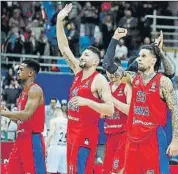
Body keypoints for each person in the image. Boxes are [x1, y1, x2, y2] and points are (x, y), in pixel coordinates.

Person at [102, 28, 178, 174]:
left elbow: (175, 110)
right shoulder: (132, 78)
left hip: (154, 136)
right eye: (138, 56)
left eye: (143, 56)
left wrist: (175, 140)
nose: (139, 58)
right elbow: (107, 64)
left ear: (153, 61)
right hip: (133, 136)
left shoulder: (163, 82)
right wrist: (114, 39)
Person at [57, 4, 114, 173]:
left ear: (96, 62)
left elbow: (110, 109)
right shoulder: (77, 71)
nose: (82, 56)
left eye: (87, 55)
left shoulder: (99, 80)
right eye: (82, 54)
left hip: (86, 133)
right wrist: (60, 21)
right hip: (72, 131)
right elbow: (64, 48)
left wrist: (86, 101)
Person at [1, 59, 46, 173]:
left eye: (21, 69)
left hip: (32, 139)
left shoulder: (35, 90)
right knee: (11, 171)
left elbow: (26, 115)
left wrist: (4, 113)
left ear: (30, 73)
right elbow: (21, 121)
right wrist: (8, 114)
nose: (18, 72)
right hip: (20, 138)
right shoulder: (22, 94)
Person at [102, 58, 132, 174]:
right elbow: (101, 114)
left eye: (113, 71)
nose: (111, 74)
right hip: (109, 134)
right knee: (106, 170)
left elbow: (130, 111)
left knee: (117, 170)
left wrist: (112, 99)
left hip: (123, 133)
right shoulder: (105, 87)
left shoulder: (126, 87)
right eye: (108, 72)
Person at [46, 101, 68, 174]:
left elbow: (51, 134)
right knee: (63, 171)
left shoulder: (53, 120)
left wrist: (46, 146)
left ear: (55, 111)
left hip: (55, 147)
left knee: (51, 171)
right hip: (65, 148)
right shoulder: (68, 121)